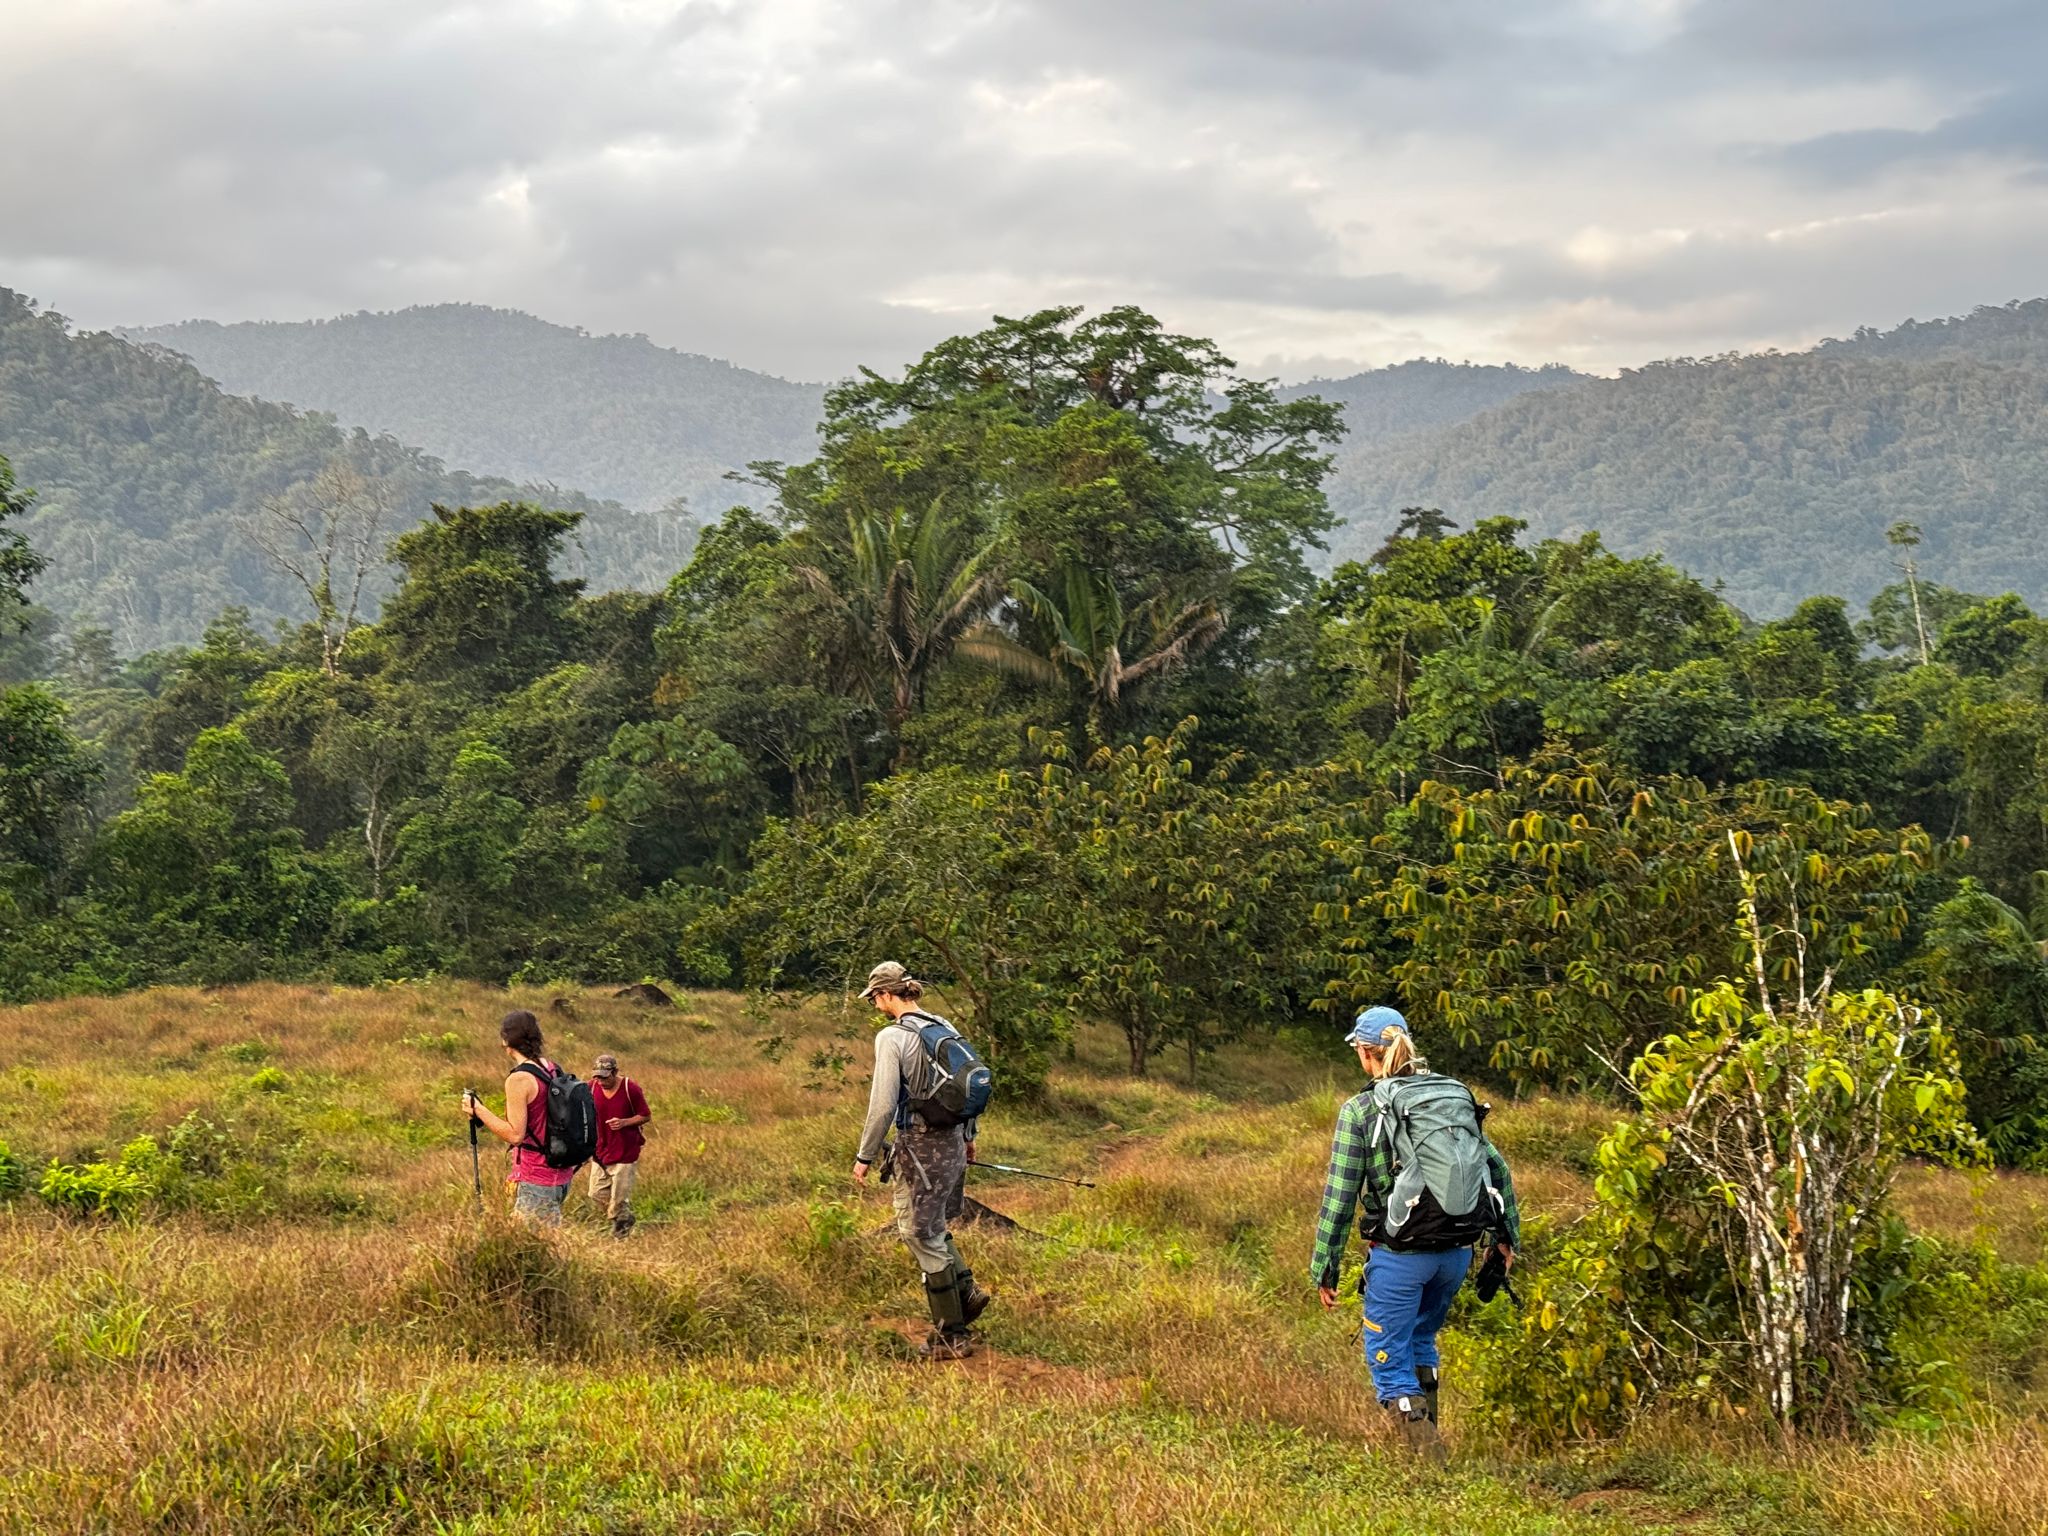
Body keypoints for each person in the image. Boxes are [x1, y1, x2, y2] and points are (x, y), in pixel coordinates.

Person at [1309, 1006, 1520, 1460]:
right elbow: (1496, 1168)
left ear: (1367, 1054)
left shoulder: (1362, 1110)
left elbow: (1340, 1196)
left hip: (1400, 1256)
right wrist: (1505, 1241)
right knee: (1421, 1341)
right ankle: (1428, 1441)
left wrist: (1324, 1266)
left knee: (1387, 1353)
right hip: (1455, 1253)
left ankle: (1428, 1463)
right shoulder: (1449, 1095)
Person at [851, 961, 992, 1360]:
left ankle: (953, 1334)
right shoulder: (942, 1025)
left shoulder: (892, 1037)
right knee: (933, 1225)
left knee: (918, 1231)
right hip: (952, 1143)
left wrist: (864, 1155)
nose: (875, 1004)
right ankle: (965, 1293)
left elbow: (881, 1106)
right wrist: (969, 1137)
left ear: (884, 994)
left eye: (874, 997)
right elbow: (966, 1083)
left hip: (921, 1146)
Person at [460, 1010, 580, 1225]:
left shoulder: (520, 1079)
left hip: (537, 1179)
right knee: (529, 1242)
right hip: (561, 1175)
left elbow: (515, 1135)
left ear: (506, 1040)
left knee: (529, 1250)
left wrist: (478, 1110)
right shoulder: (552, 1069)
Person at [588, 1052, 651, 1237]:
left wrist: (624, 1122)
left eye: (605, 1077)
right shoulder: (591, 1088)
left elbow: (645, 1115)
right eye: (597, 1076)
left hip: (625, 1151)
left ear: (615, 1072)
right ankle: (625, 1217)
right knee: (596, 1194)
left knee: (619, 1199)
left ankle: (620, 1232)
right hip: (600, 1151)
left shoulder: (630, 1088)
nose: (601, 1081)